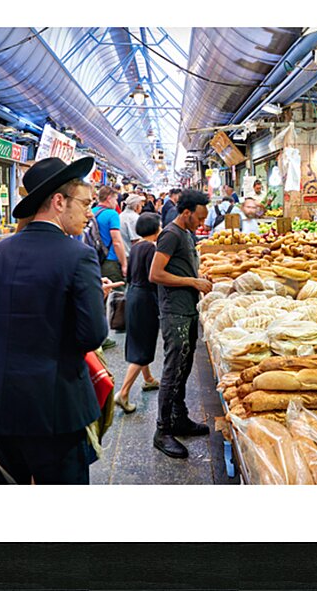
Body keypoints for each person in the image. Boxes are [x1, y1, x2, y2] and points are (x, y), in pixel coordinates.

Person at [0, 156, 113, 485]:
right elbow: (91, 336)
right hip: (56, 409)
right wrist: (92, 300)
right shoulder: (78, 256)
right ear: (59, 202)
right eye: (86, 203)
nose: (90, 212)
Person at [149, 189, 213, 459]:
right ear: (186, 213)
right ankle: (162, 431)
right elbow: (155, 274)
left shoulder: (186, 234)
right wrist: (192, 282)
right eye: (199, 218)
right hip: (174, 312)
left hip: (188, 309)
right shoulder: (171, 234)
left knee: (184, 369)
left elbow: (182, 268)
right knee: (173, 369)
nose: (202, 224)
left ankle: (179, 418)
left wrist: (198, 276)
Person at [114, 213, 163, 413]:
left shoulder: (135, 247)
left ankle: (148, 379)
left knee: (139, 339)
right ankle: (123, 393)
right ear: (156, 229)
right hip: (145, 299)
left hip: (133, 295)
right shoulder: (152, 248)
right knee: (143, 346)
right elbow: (155, 276)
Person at [92, 186, 129, 283]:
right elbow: (117, 241)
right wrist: (124, 264)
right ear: (109, 199)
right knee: (116, 293)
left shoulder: (91, 212)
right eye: (115, 200)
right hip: (110, 259)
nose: (116, 203)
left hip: (95, 258)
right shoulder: (112, 214)